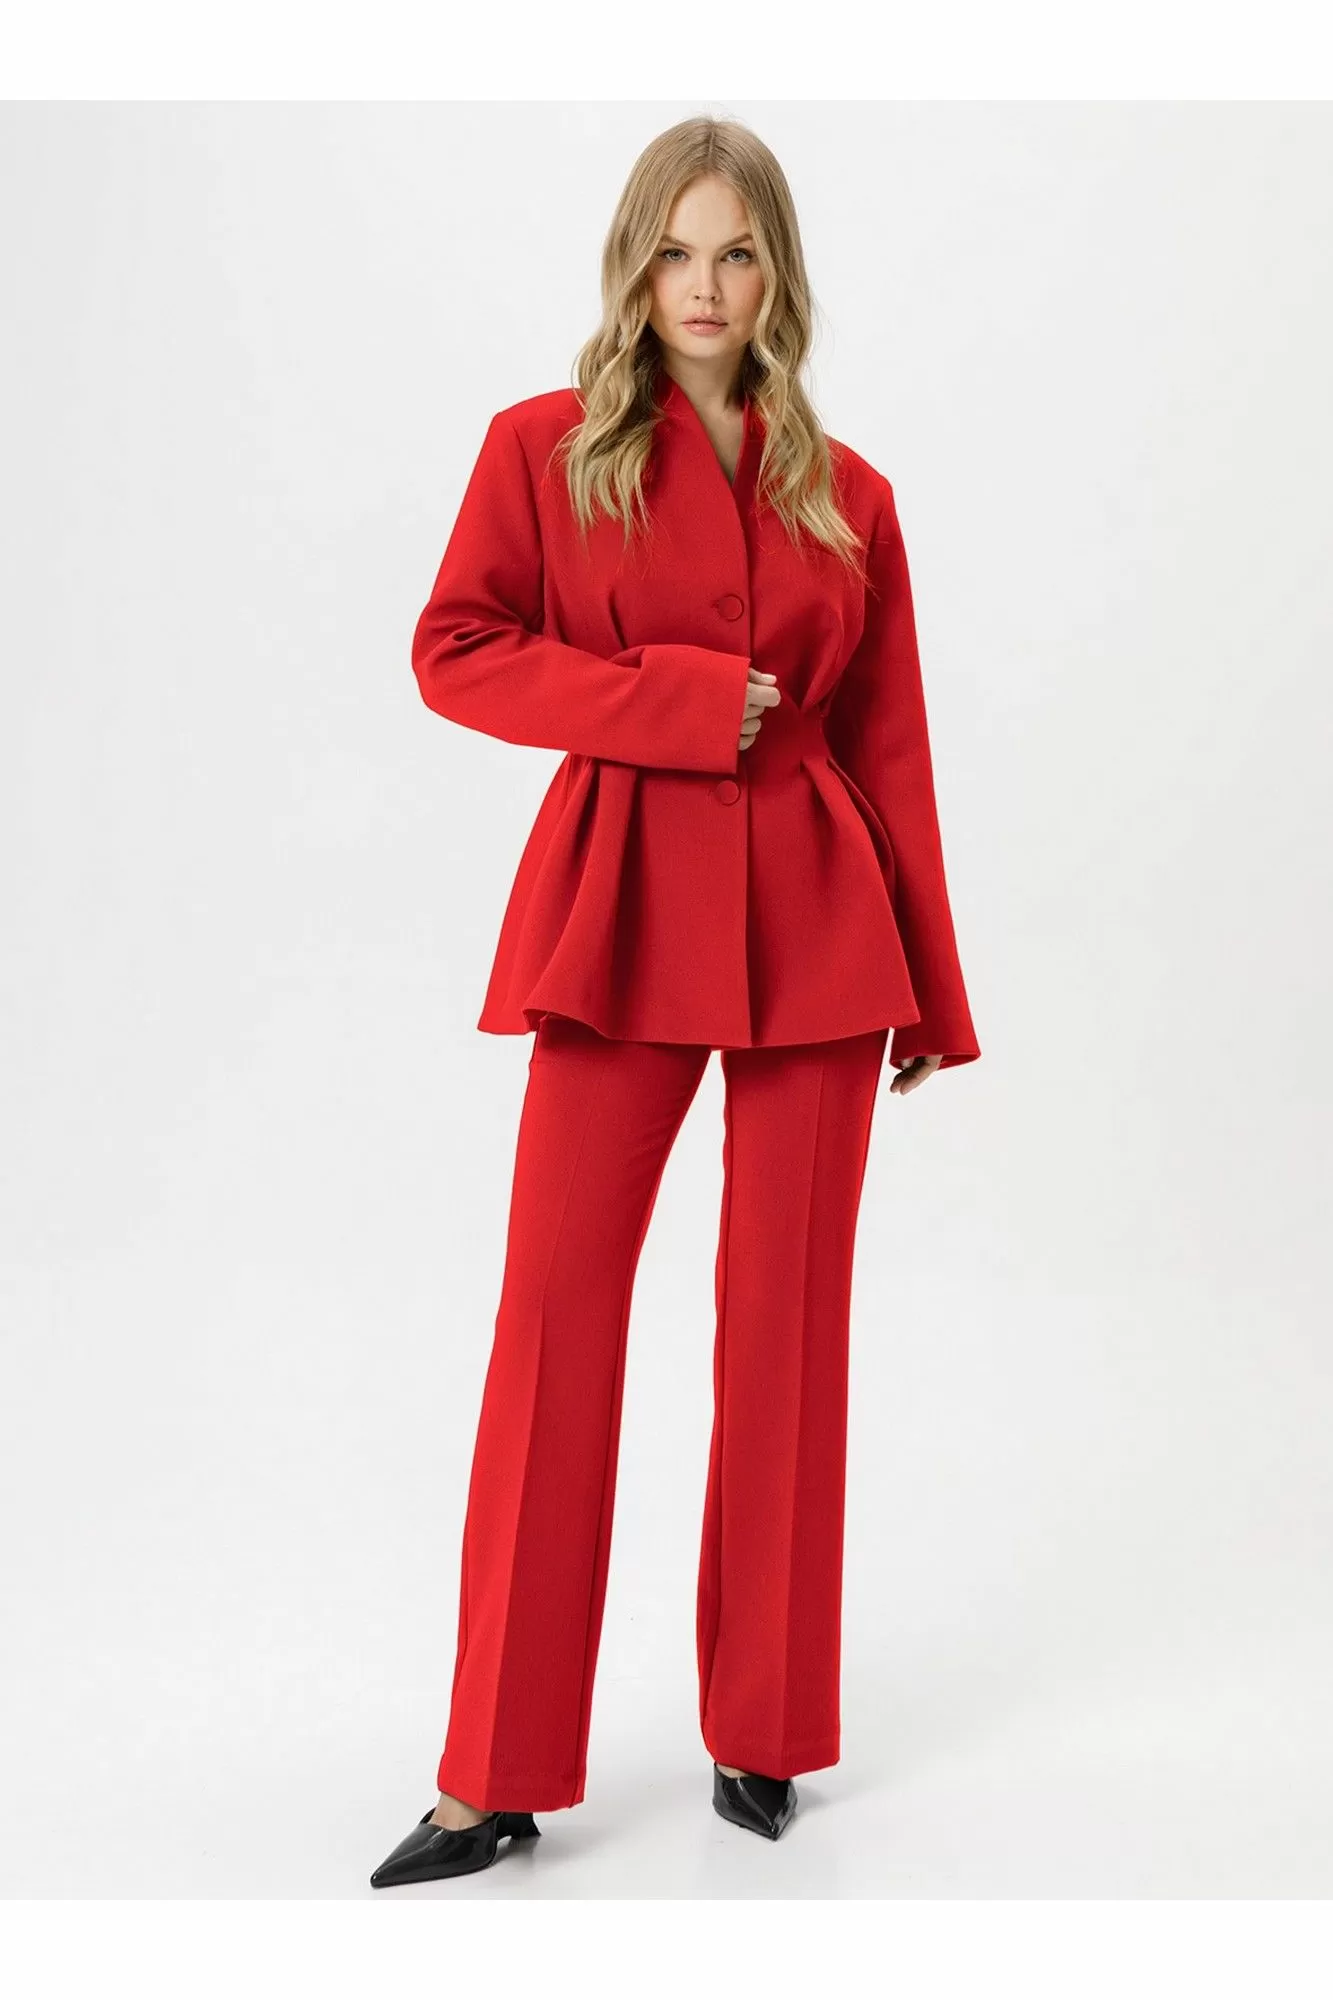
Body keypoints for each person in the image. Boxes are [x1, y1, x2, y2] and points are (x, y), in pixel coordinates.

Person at [370, 114, 980, 1888]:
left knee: (788, 1334)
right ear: (633, 263)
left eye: (737, 253)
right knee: (554, 1322)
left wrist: (933, 991)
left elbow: (891, 745)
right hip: (620, 915)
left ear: (778, 272)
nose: (703, 287)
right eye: (674, 251)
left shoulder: (849, 492)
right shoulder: (543, 450)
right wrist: (672, 700)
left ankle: (764, 1734)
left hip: (822, 932)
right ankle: (492, 1772)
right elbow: (456, 649)